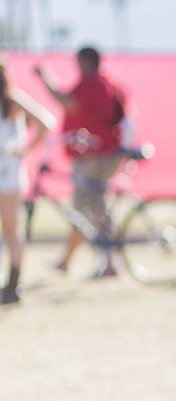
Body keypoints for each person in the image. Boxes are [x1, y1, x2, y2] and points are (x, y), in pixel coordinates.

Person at [34, 45, 126, 275]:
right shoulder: (108, 82)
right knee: (96, 207)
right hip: (104, 152)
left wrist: (45, 77)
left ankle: (78, 260)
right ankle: (102, 261)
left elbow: (67, 102)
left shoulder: (92, 82)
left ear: (86, 61)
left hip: (93, 154)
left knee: (84, 208)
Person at [0, 61, 56, 303]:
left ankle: (13, 285)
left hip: (8, 176)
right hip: (8, 174)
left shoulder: (12, 101)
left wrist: (25, 148)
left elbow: (46, 122)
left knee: (12, 231)